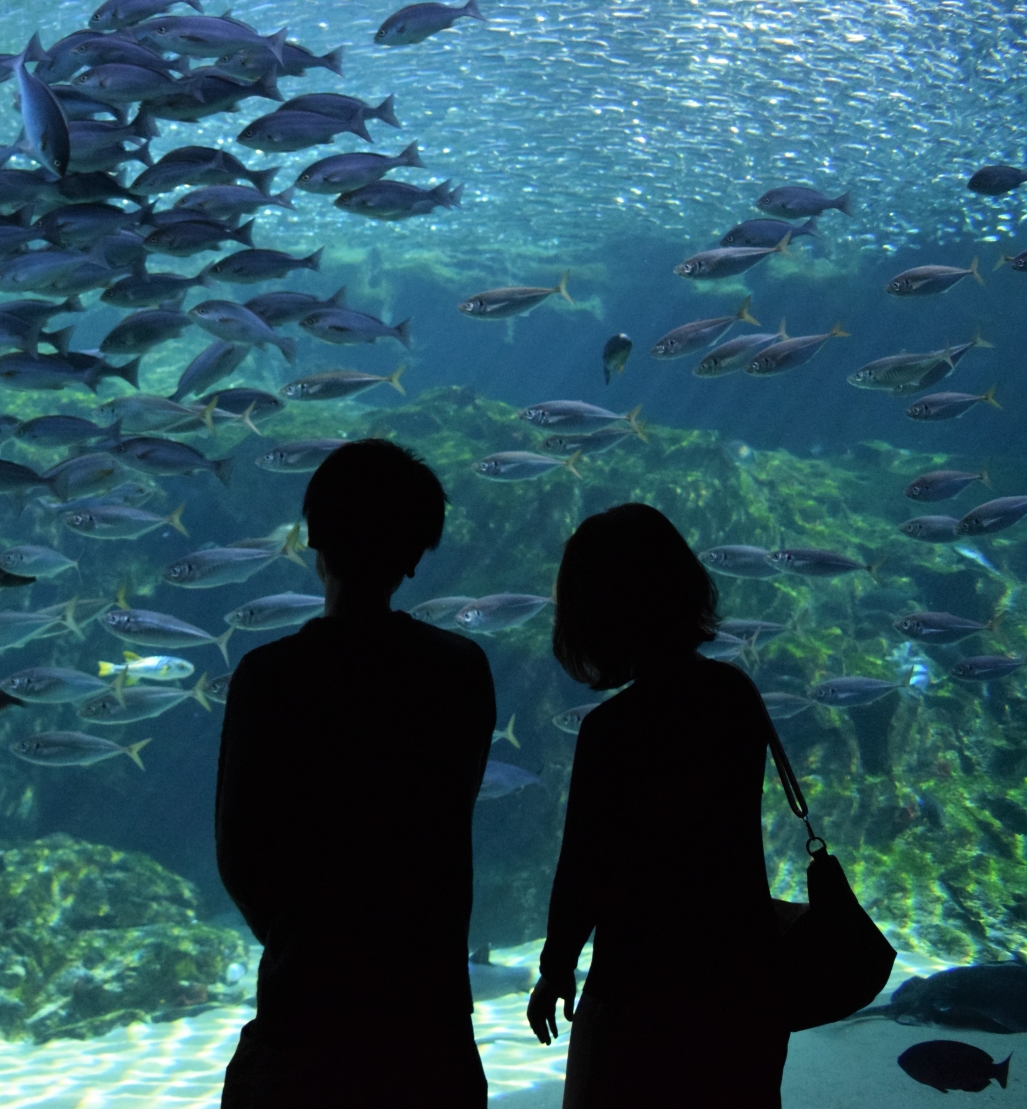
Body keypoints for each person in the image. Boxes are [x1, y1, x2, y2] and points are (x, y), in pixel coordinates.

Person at [216, 439, 496, 1107]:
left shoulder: (268, 678)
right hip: (427, 1017)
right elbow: (449, 807)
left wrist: (301, 936)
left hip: (306, 1010)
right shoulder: (460, 671)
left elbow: (238, 855)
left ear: (315, 539)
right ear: (417, 554)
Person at [526, 503, 787, 1107]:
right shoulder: (735, 693)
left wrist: (556, 966)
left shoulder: (613, 730)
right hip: (742, 975)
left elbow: (583, 867)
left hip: (642, 982)